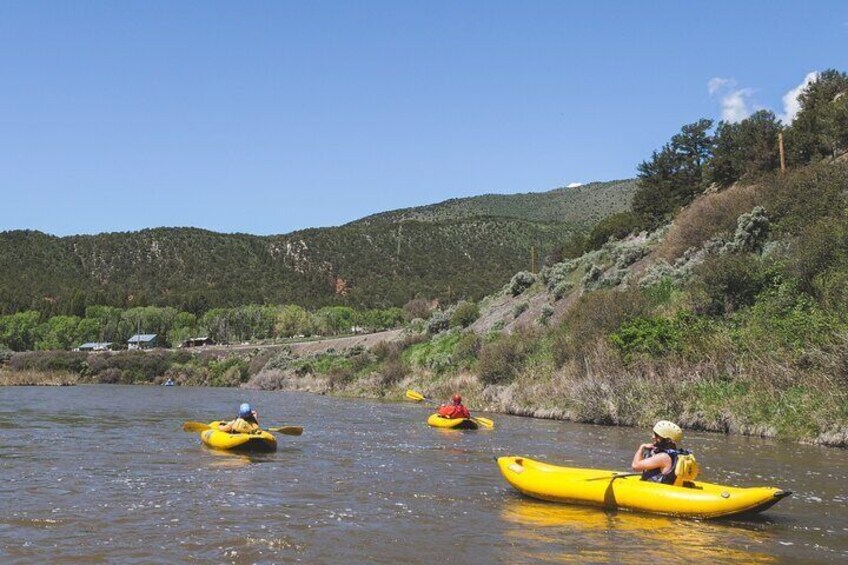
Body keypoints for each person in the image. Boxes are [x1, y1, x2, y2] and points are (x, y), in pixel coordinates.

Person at [631, 420, 684, 485]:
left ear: (667, 440)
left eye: (656, 435)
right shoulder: (676, 453)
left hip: (657, 492)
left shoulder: (663, 457)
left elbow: (635, 466)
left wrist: (641, 447)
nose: (653, 437)